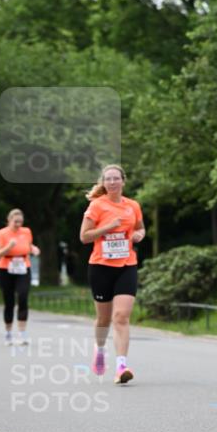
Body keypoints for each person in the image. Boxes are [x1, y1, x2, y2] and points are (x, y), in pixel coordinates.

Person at [80, 164, 145, 384]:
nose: (112, 182)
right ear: (103, 183)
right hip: (100, 267)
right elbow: (84, 237)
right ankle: (99, 350)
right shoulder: (96, 206)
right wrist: (107, 227)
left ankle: (121, 367)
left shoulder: (133, 206)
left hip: (127, 265)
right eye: (108, 179)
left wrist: (139, 235)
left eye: (116, 178)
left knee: (121, 316)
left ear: (123, 181)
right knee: (103, 318)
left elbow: (140, 227)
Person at [0, 209, 40, 346]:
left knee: (23, 297)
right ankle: (8, 333)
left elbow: (28, 245)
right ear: (9, 220)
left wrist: (33, 249)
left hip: (23, 267)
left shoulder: (26, 231)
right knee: (9, 301)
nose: (18, 224)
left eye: (20, 222)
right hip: (5, 269)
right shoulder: (1, 233)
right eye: (15, 222)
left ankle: (22, 333)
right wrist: (8, 247)